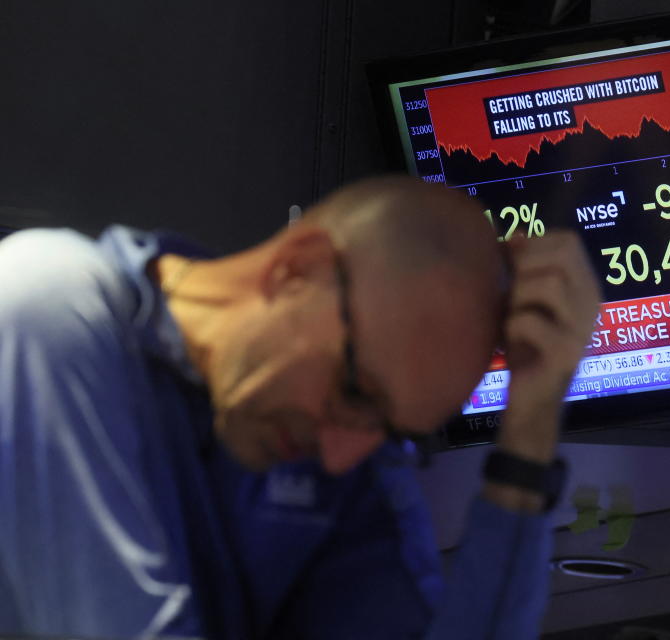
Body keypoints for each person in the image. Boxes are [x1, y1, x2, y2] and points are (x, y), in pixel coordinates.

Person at [0, 175, 600, 639]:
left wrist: (530, 429)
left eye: (390, 433)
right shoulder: (49, 303)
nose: (342, 457)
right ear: (298, 270)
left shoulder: (342, 460)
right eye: (356, 392)